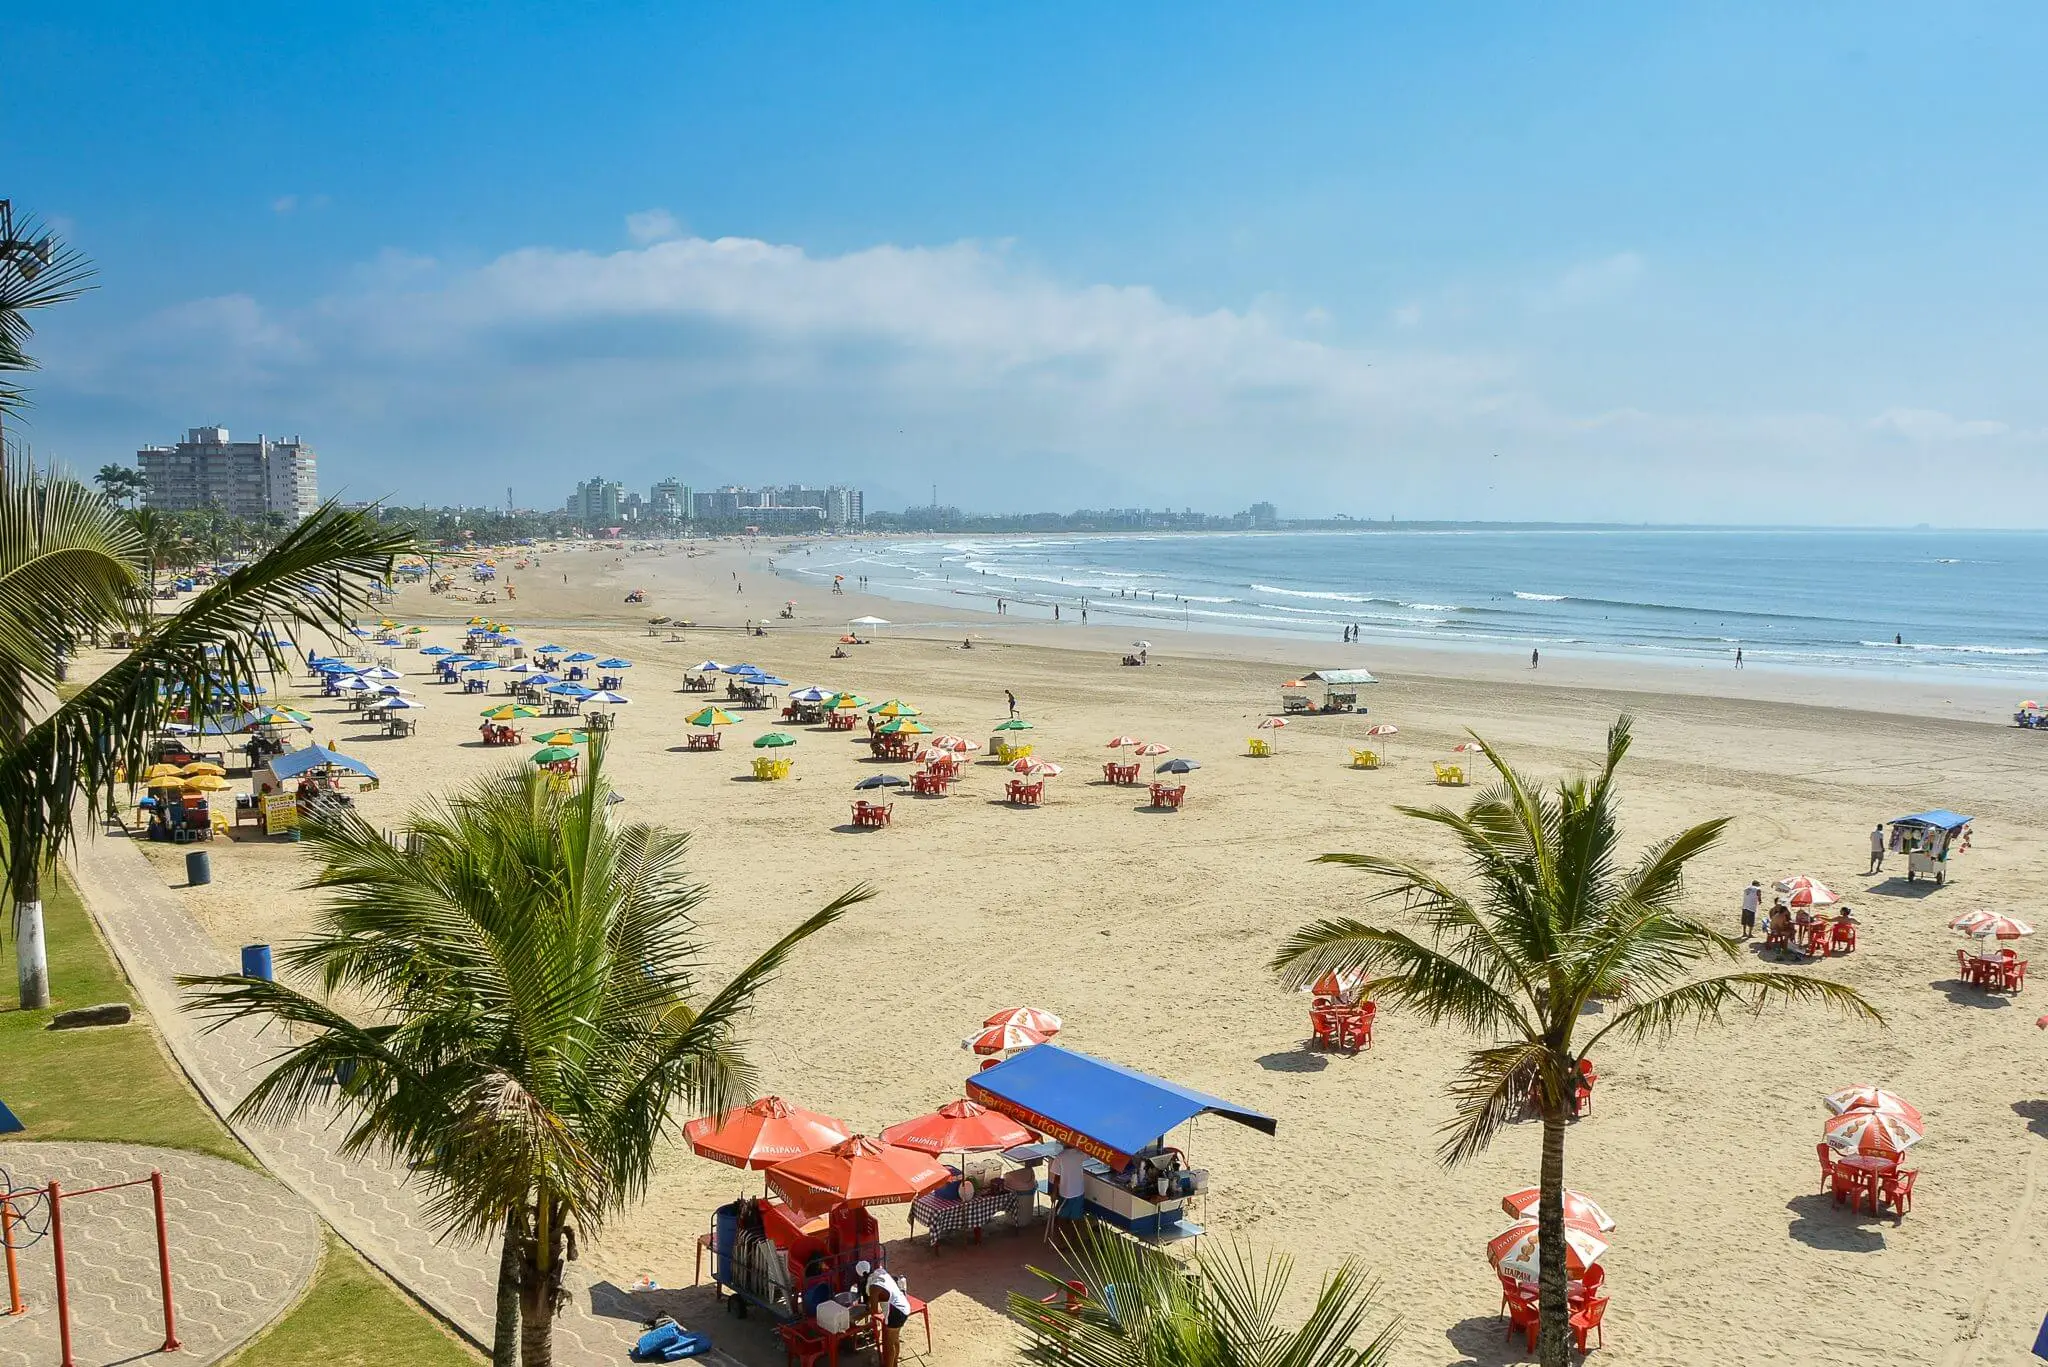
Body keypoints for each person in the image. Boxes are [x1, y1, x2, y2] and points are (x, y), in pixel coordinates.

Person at [857, 1261, 911, 1367]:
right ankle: (894, 1364)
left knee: (890, 1343)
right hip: (904, 1306)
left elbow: (874, 1310)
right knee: (895, 1339)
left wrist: (858, 1317)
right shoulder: (880, 1272)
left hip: (895, 1312)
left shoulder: (872, 1287)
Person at [1048, 1142, 1087, 1224]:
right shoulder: (1080, 1154)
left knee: (1062, 1216)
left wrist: (1054, 1192)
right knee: (1076, 1217)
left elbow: (1057, 1177)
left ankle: (1062, 1235)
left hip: (1066, 1192)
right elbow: (1089, 1154)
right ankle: (1074, 1236)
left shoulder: (1060, 1157)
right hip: (1079, 1191)